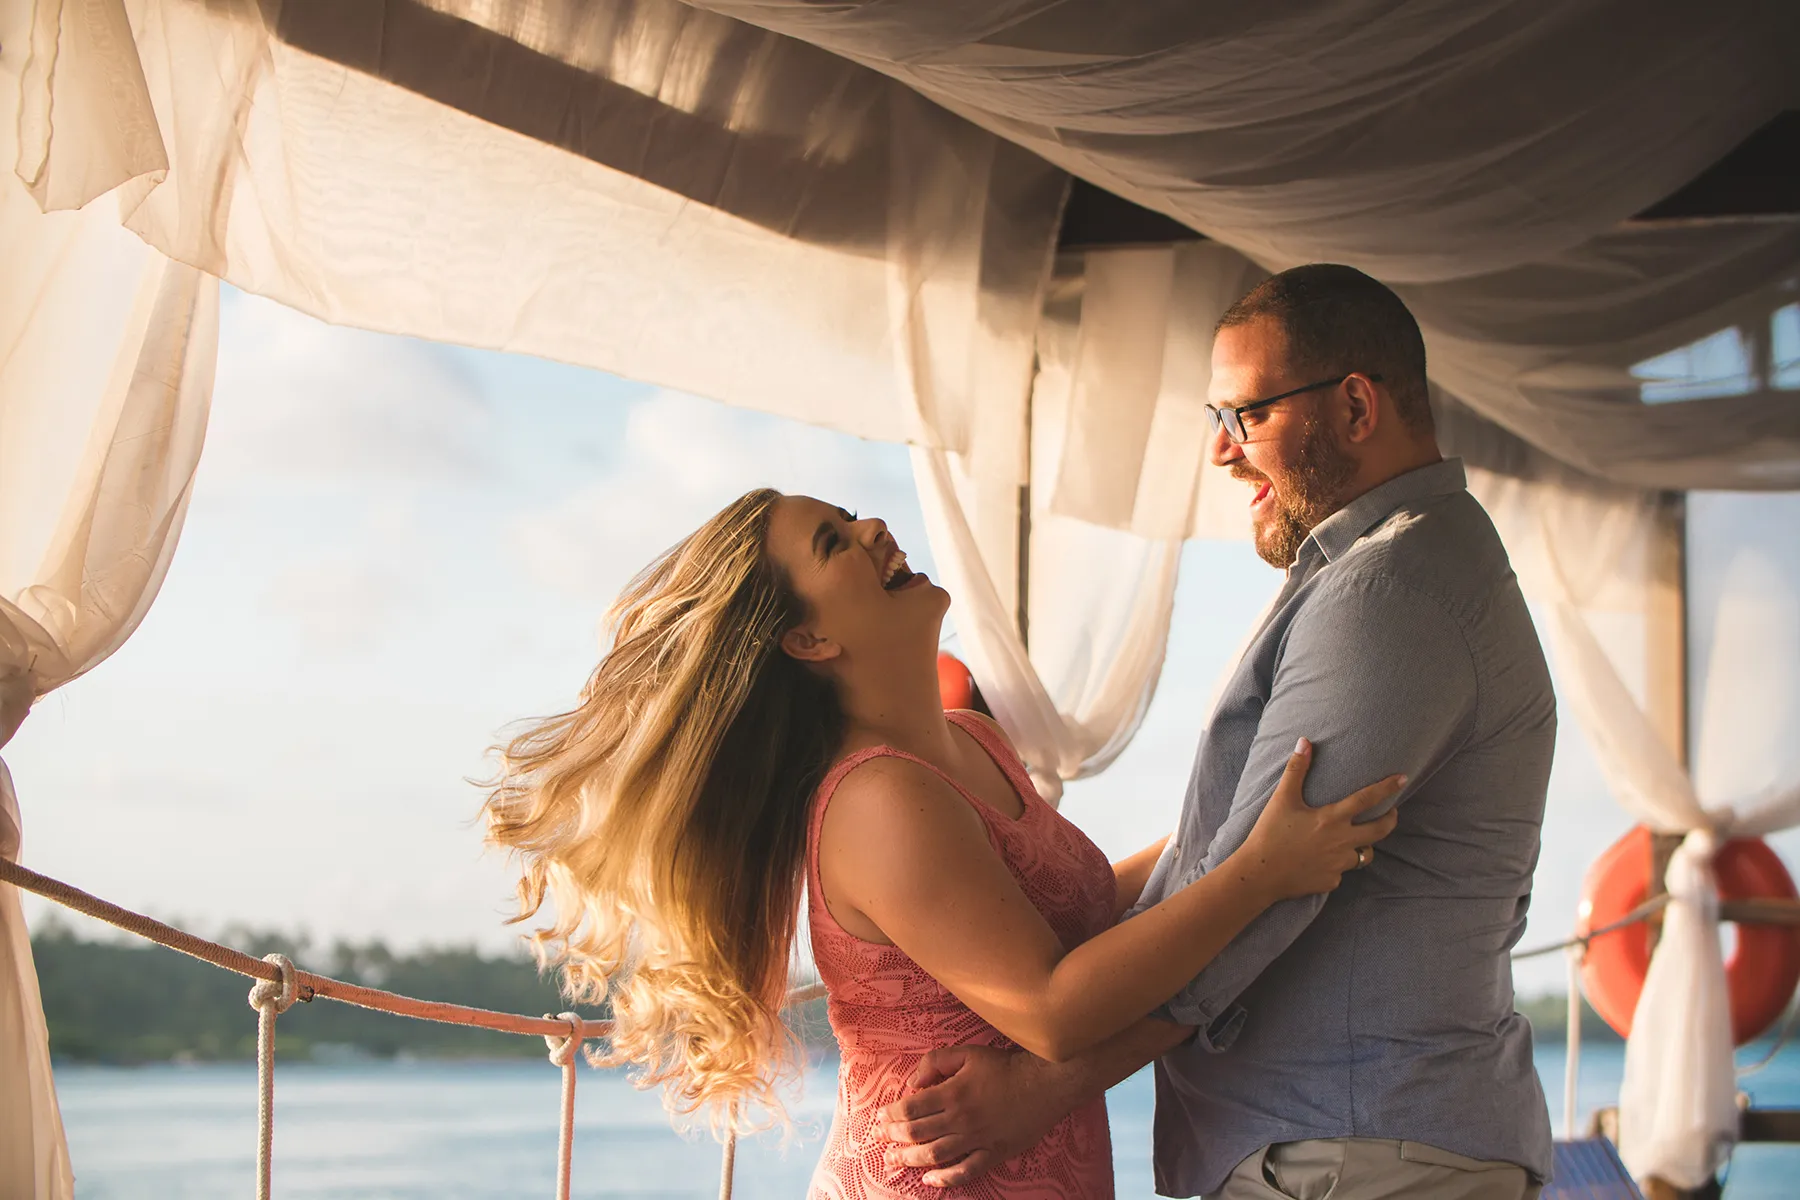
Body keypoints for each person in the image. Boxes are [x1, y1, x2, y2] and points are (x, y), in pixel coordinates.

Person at [482, 483, 1403, 1199]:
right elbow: (1052, 1008)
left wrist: (1246, 835)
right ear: (806, 639)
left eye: (848, 515)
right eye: (834, 542)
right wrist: (1257, 876)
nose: (875, 525)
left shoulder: (972, 741)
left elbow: (1079, 911)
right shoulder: (876, 800)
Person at [880, 264, 1557, 1200]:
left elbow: (1265, 897)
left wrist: (1042, 1091)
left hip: (1358, 1153)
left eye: (1248, 416)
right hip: (1353, 1145)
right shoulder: (1395, 570)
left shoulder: (1390, 592)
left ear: (1356, 406)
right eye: (1217, 422)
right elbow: (1245, 853)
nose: (1223, 454)